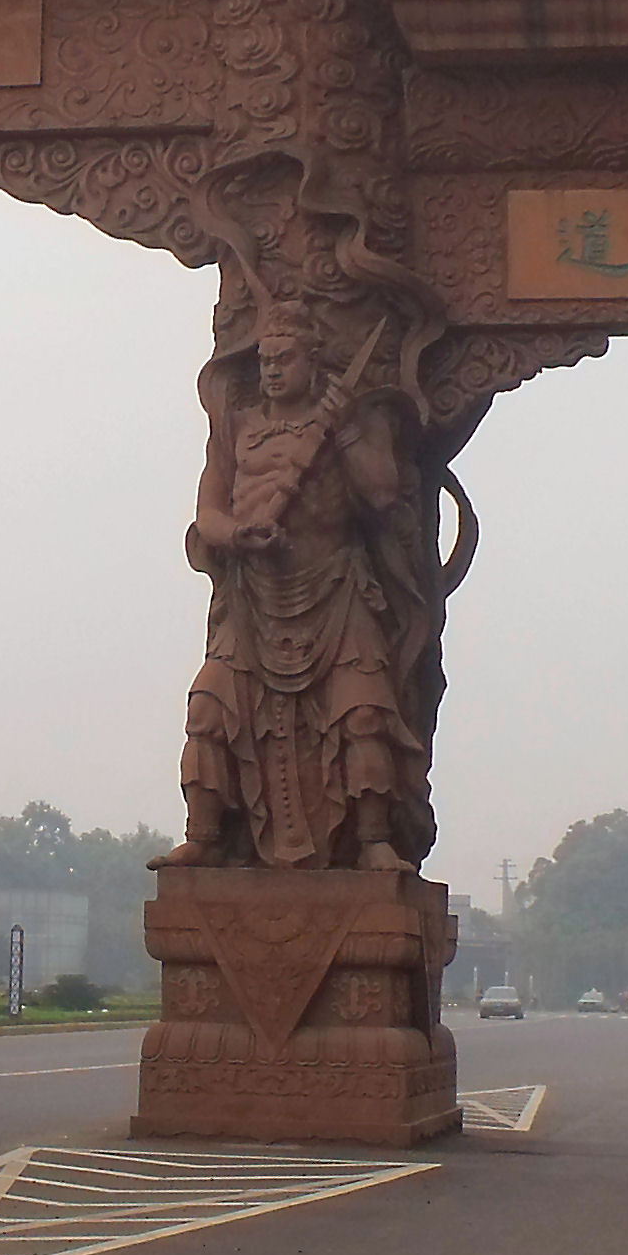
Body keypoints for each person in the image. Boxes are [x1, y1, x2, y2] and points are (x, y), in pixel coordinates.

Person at [165, 299, 430, 871]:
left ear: (313, 360)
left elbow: (383, 495)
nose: (273, 370)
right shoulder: (239, 426)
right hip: (254, 597)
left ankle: (374, 841)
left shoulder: (350, 419)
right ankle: (203, 834)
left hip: (335, 588)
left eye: (285, 359)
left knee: (363, 714)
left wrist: (346, 431)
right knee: (209, 706)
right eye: (265, 360)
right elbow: (208, 511)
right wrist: (238, 535)